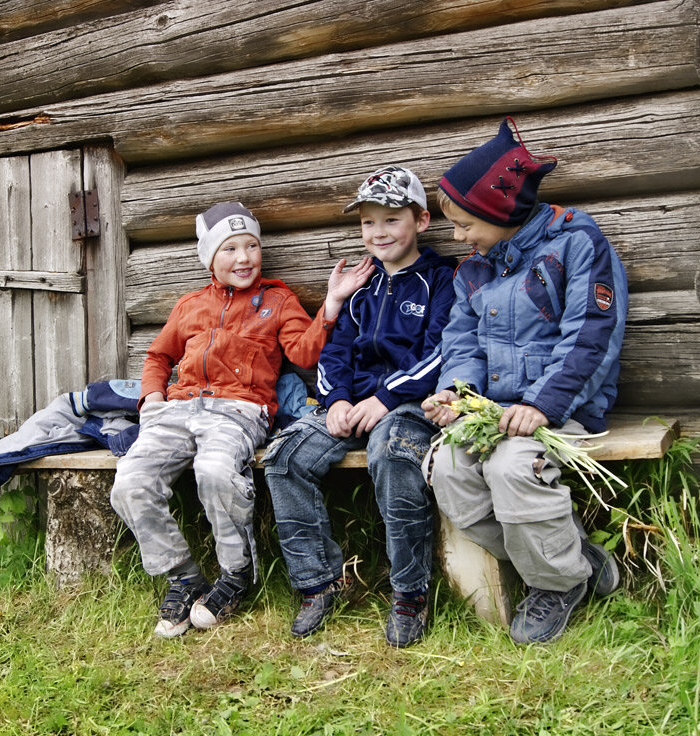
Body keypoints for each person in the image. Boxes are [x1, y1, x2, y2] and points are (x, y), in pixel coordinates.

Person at [110, 201, 373, 639]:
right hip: (177, 410)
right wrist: (151, 399)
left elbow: (305, 352)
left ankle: (235, 574)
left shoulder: (277, 299)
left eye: (251, 245)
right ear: (210, 258)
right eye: (230, 248)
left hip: (240, 410)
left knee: (214, 472)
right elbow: (158, 355)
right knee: (130, 481)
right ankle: (184, 577)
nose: (245, 257)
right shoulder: (191, 305)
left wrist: (331, 303)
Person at [420, 118, 627, 645]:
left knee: (515, 466)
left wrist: (543, 405)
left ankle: (556, 585)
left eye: (466, 225)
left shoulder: (575, 242)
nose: (459, 237)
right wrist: (457, 394)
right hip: (495, 410)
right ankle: (573, 558)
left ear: (501, 211)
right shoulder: (476, 269)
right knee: (447, 467)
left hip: (564, 406)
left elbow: (591, 335)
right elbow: (462, 341)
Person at [264, 166, 457, 647]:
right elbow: (334, 352)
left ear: (422, 221)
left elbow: (441, 351)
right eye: (369, 222)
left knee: (392, 456)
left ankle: (409, 593)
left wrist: (385, 397)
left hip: (409, 403)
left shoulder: (443, 279)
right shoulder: (361, 288)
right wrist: (337, 401)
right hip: (352, 403)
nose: (379, 232)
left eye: (392, 219)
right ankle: (318, 582)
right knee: (285, 458)